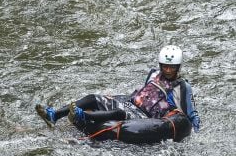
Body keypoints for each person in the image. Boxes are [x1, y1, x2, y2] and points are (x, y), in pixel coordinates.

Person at [36, 45, 200, 133]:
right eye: (165, 66)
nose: (168, 70)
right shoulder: (153, 73)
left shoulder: (183, 87)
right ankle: (54, 115)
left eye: (172, 67)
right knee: (93, 98)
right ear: (160, 65)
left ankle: (82, 116)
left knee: (119, 114)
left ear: (178, 67)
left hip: (145, 117)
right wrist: (118, 98)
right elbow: (142, 93)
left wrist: (194, 131)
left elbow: (191, 114)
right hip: (130, 104)